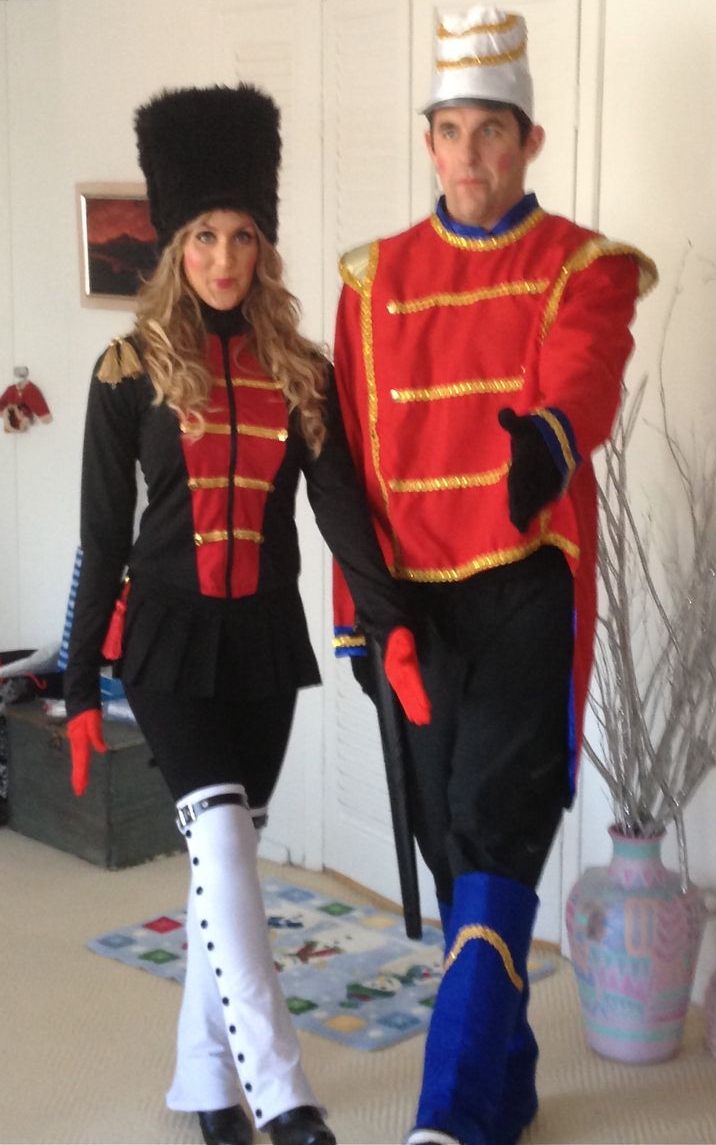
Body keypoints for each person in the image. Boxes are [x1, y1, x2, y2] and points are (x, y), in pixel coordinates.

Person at [63, 83, 430, 1145]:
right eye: (205, 236)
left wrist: (393, 625)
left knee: (222, 872)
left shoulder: (300, 372)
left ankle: (204, 1087)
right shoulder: (126, 369)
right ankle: (281, 1092)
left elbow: (344, 515)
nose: (225, 257)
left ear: (264, 248)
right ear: (176, 244)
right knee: (224, 851)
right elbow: (100, 538)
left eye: (245, 237)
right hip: (169, 642)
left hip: (265, 648)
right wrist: (83, 683)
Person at [330, 7, 658, 1145]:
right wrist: (359, 617)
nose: (470, 158)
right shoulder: (371, 281)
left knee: (497, 826)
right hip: (410, 606)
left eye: (493, 134)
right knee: (447, 839)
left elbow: (585, 368)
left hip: (524, 580)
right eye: (451, 132)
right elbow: (354, 458)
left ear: (530, 141)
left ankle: (451, 1115)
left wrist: (547, 441)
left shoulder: (582, 264)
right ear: (429, 142)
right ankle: (508, 1083)